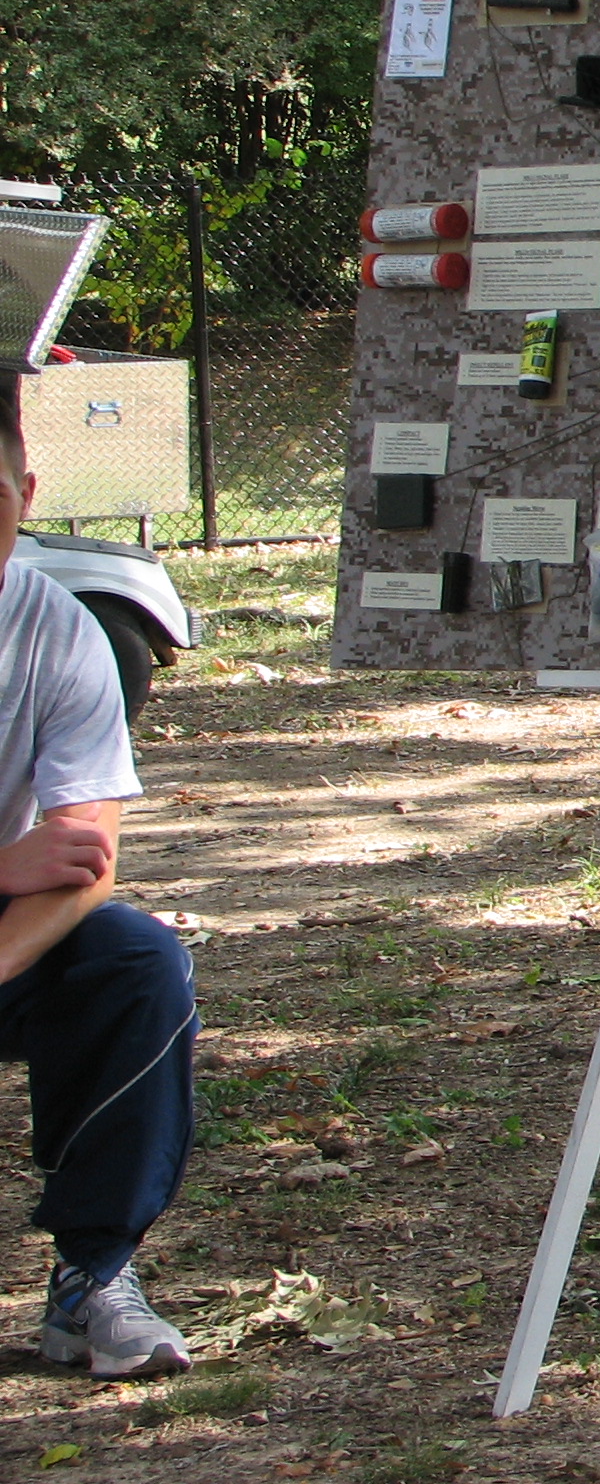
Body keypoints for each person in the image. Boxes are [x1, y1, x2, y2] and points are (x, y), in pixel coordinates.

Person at [0, 371, 196, 1377]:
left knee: (136, 963)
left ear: (27, 496)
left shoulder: (56, 626)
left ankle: (94, 1275)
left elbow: (83, 861)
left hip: (10, 927)